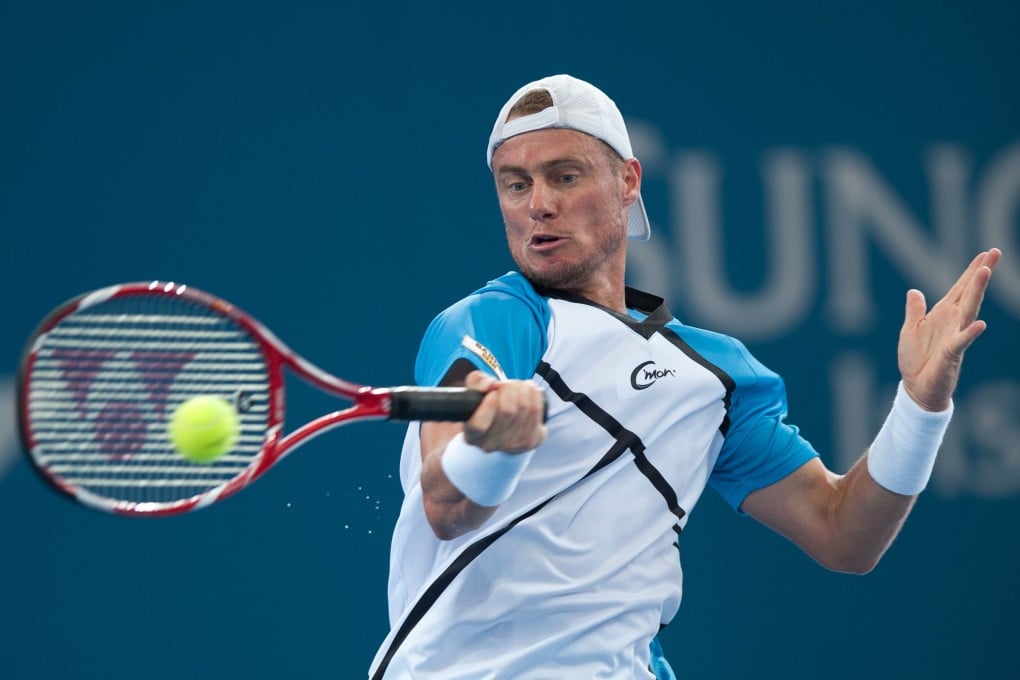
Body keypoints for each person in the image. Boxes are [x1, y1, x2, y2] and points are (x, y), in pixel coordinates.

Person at [367, 74, 1001, 679]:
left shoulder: (715, 376)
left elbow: (845, 535)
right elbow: (446, 504)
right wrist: (489, 447)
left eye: (565, 176)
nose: (539, 205)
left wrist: (920, 407)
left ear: (627, 181)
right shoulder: (492, 320)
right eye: (515, 184)